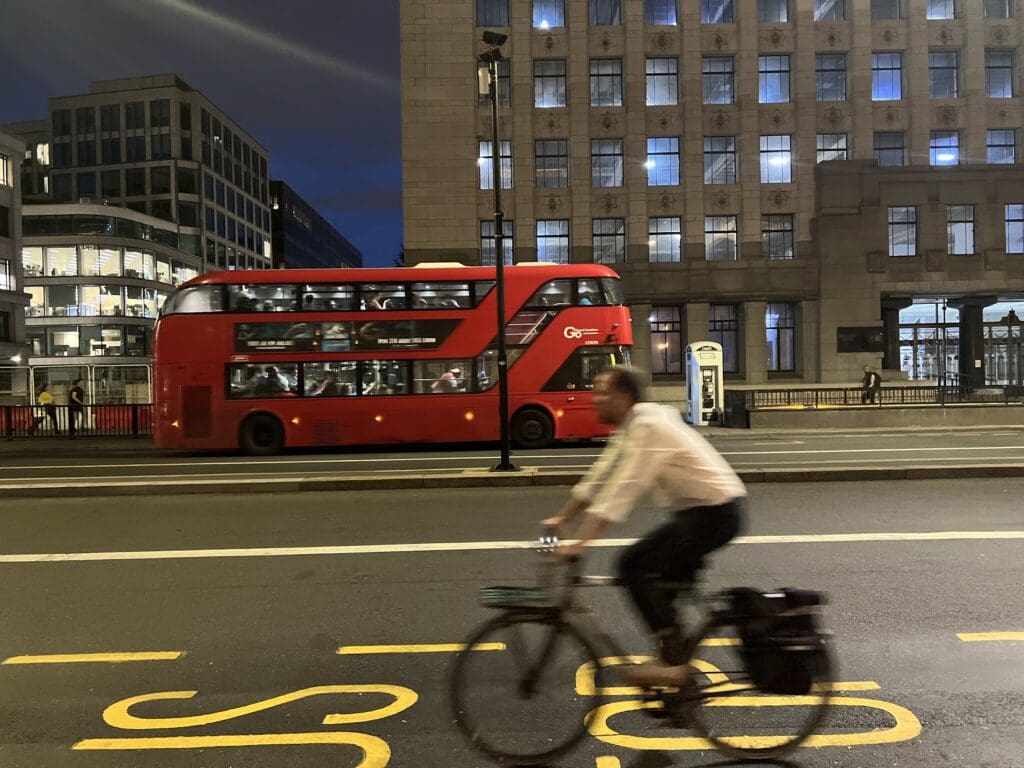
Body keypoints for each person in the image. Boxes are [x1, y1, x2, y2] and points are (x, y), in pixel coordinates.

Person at [542, 366, 746, 687]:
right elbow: (602, 474)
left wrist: (580, 543)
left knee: (632, 564)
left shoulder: (649, 427)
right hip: (697, 513)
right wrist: (563, 518)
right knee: (661, 580)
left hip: (715, 514)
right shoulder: (634, 424)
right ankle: (676, 669)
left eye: (602, 392)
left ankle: (672, 665)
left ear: (623, 398)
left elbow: (622, 489)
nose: (594, 399)